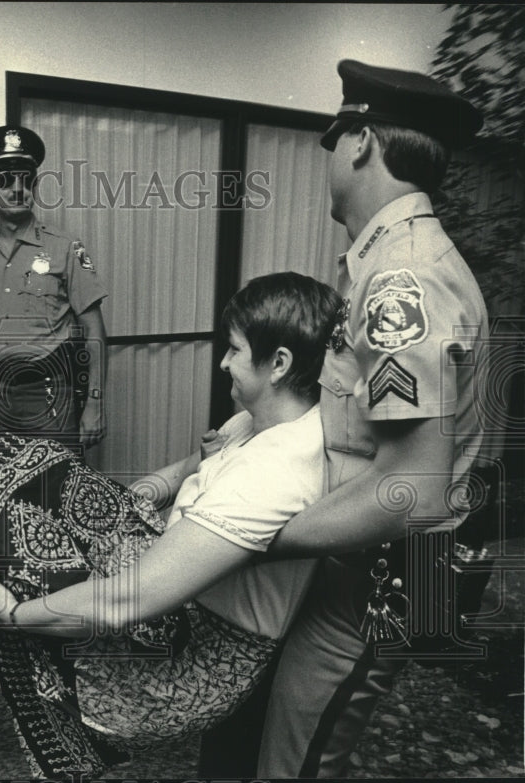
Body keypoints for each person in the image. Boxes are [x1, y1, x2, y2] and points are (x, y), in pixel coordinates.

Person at [0, 272, 343, 777]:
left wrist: (18, 615)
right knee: (41, 459)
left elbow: (127, 600)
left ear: (279, 364)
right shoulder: (264, 418)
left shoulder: (275, 470)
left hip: (190, 657)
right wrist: (141, 494)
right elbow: (190, 469)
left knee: (10, 513)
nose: (223, 362)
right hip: (168, 569)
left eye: (235, 350)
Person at [220, 60, 486, 778]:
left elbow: (414, 488)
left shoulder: (403, 279)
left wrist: (254, 537)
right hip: (368, 564)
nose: (333, 157)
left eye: (338, 139)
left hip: (386, 576)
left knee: (296, 760)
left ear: (362, 142)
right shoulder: (392, 262)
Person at [0, 125, 108, 449]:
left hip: (50, 389)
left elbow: (94, 329)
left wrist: (95, 402)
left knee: (58, 481)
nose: (18, 188)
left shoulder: (65, 248)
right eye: (5, 178)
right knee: (9, 483)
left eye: (26, 178)